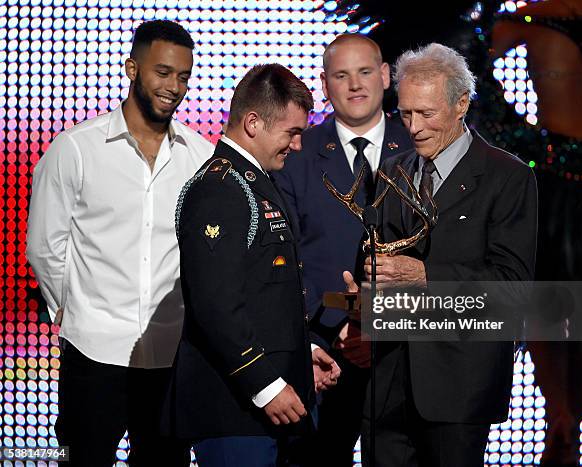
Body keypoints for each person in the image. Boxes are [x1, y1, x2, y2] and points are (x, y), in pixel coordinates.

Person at [26, 20, 214, 466]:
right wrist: (76, 312)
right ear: (132, 68)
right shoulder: (76, 149)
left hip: (171, 355)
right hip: (94, 354)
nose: (174, 87)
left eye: (184, 76)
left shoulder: (200, 155)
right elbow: (45, 247)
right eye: (163, 72)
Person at [348, 43, 538, 466]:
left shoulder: (506, 177)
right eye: (406, 113)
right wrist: (361, 299)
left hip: (459, 386)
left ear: (461, 105)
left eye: (426, 114)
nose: (414, 127)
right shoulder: (391, 171)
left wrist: (425, 275)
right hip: (388, 382)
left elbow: (512, 286)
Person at [163, 63, 341, 467]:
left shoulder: (255, 180)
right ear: (254, 122)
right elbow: (215, 307)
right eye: (291, 133)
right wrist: (265, 384)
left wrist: (302, 352)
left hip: (269, 405)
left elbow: (267, 294)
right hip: (235, 410)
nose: (297, 145)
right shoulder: (220, 189)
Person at [274, 33, 412, 466]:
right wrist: (337, 329)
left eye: (365, 72)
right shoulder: (296, 152)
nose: (355, 85)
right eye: (341, 75)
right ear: (325, 84)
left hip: (403, 355)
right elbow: (282, 253)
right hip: (319, 353)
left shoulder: (420, 147)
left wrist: (380, 328)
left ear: (386, 76)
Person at [490, 2, 582, 465]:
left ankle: (567, 421)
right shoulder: (534, 14)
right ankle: (563, 418)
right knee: (547, 303)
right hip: (553, 177)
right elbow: (469, 64)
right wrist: (512, 132)